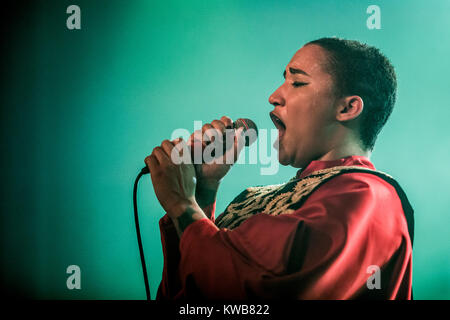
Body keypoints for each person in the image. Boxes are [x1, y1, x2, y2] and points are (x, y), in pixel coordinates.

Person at [144, 37, 413, 300]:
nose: (273, 96)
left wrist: (182, 204)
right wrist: (201, 193)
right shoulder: (256, 197)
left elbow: (256, 288)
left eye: (297, 82)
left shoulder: (369, 193)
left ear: (347, 107)